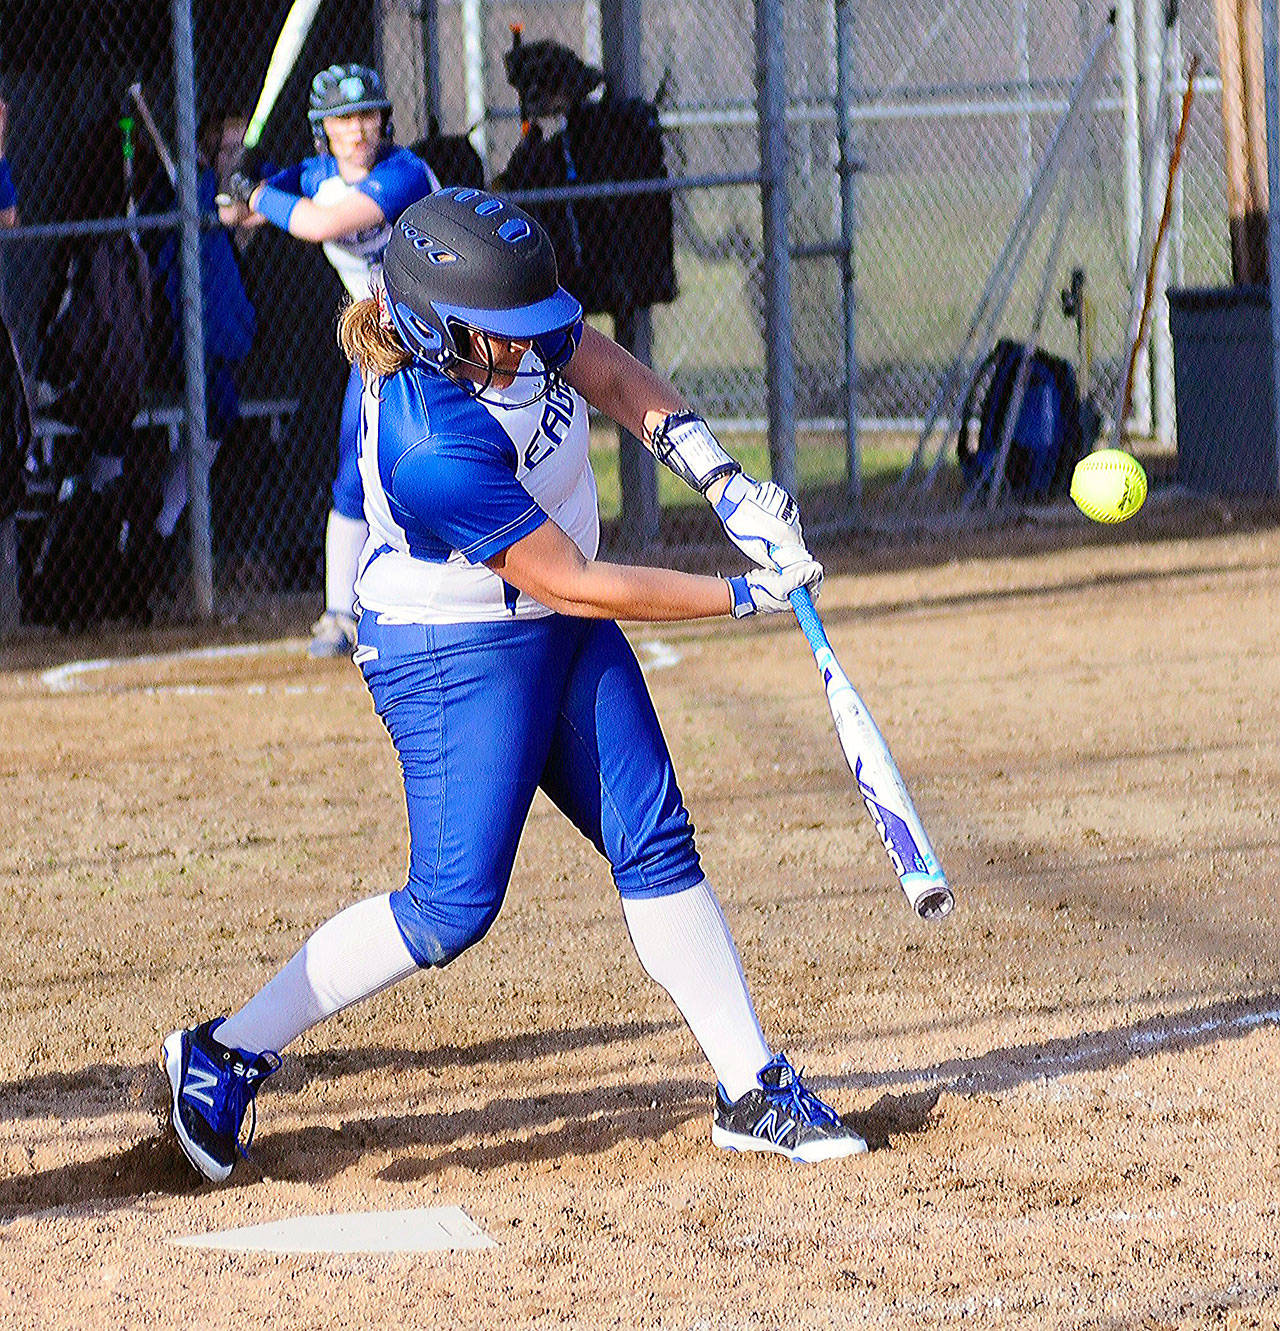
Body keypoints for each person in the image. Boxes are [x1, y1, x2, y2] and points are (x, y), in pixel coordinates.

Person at [161, 186, 868, 1185]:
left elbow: (614, 375)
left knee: (652, 834)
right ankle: (225, 1050)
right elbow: (569, 582)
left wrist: (724, 482)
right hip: (451, 652)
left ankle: (748, 1083)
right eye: (510, 334)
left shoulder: (502, 318)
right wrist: (744, 593)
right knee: (452, 907)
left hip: (556, 623)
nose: (536, 347)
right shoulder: (429, 442)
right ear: (436, 330)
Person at [217, 63, 438, 657]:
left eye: (368, 115)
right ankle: (341, 613)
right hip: (379, 345)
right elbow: (236, 214)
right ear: (324, 129)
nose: (359, 130)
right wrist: (239, 182)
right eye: (344, 119)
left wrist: (258, 192)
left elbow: (319, 224)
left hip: (445, 339)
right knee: (353, 472)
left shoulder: (403, 174)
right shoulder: (315, 173)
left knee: (444, 463)